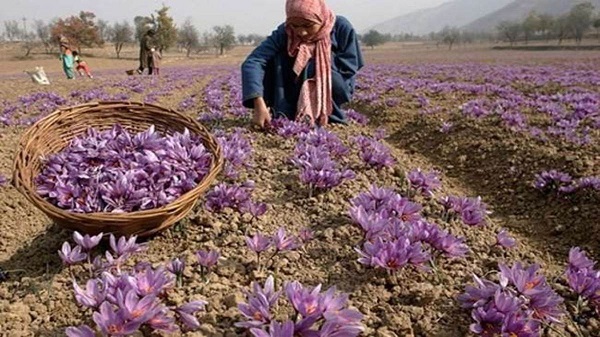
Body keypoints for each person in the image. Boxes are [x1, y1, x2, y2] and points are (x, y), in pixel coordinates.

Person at [241, 0, 364, 128]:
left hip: (334, 84)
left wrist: (314, 62)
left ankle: (328, 114)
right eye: (295, 26)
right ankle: (285, 110)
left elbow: (349, 67)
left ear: (320, 18)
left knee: (310, 61)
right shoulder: (286, 31)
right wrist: (258, 102)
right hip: (292, 87)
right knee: (277, 57)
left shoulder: (340, 27)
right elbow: (254, 61)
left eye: (308, 25)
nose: (301, 32)